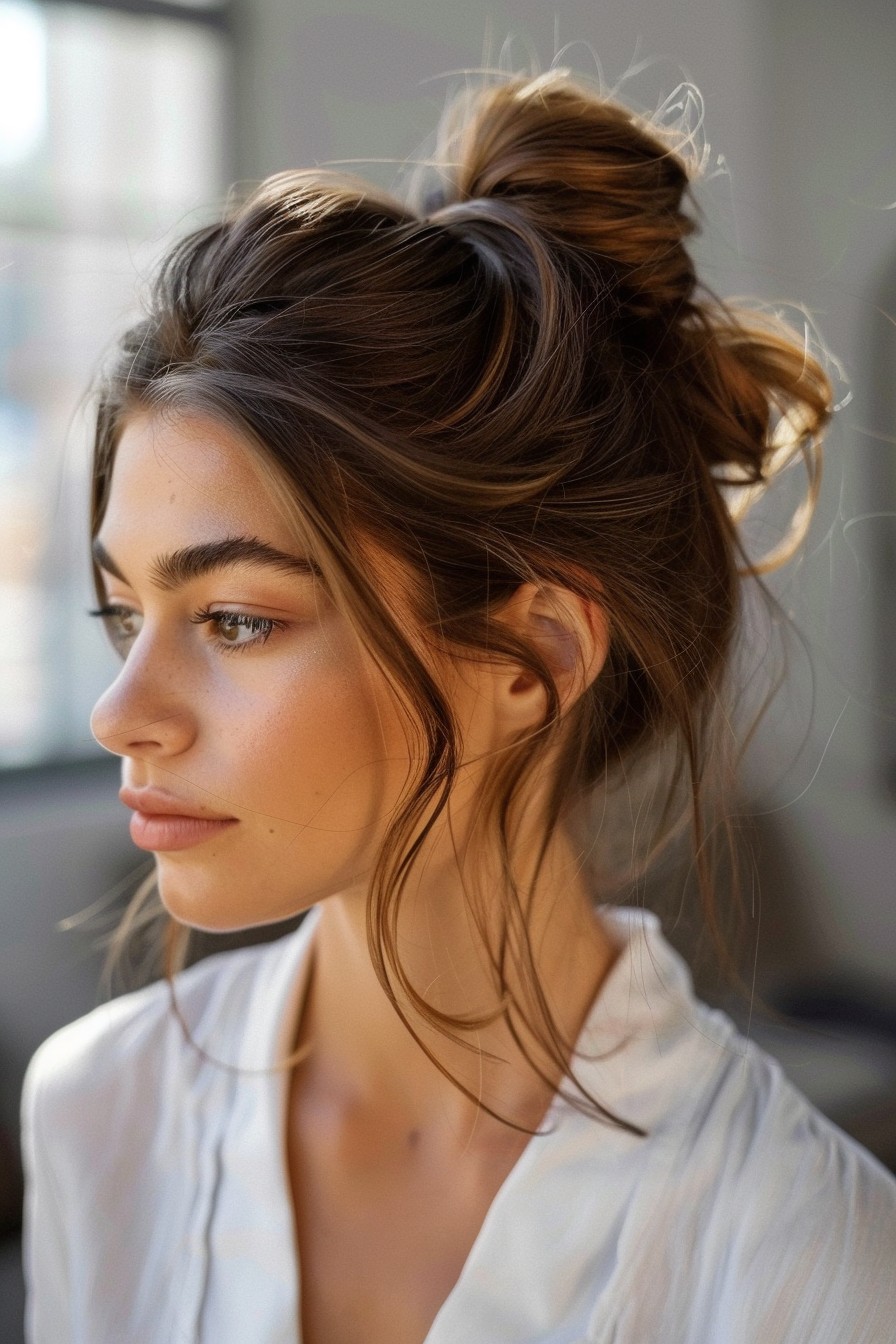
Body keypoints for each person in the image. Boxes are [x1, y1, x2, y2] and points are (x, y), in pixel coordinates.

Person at [20, 69, 896, 1344]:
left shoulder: (811, 1267)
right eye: (122, 615)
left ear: (527, 659)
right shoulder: (96, 1115)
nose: (119, 712)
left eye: (235, 620)